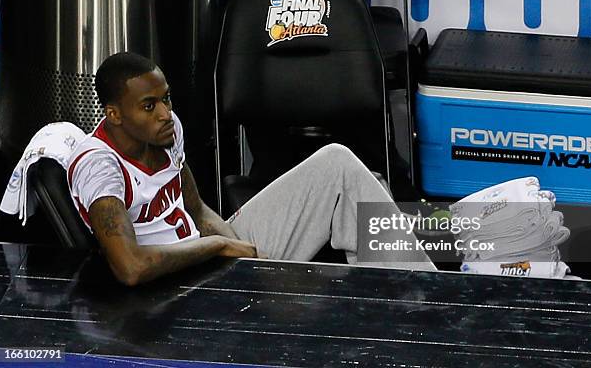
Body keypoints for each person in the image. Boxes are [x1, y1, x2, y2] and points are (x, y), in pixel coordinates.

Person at [67, 52, 435, 286]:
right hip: (176, 290)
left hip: (209, 260)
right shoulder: (99, 166)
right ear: (113, 114)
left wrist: (239, 249)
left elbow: (194, 208)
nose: (165, 113)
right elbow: (129, 268)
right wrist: (216, 246)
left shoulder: (165, 130)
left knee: (344, 168)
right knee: (364, 190)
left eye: (165, 99)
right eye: (149, 106)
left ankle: (424, 293)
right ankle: (419, 304)